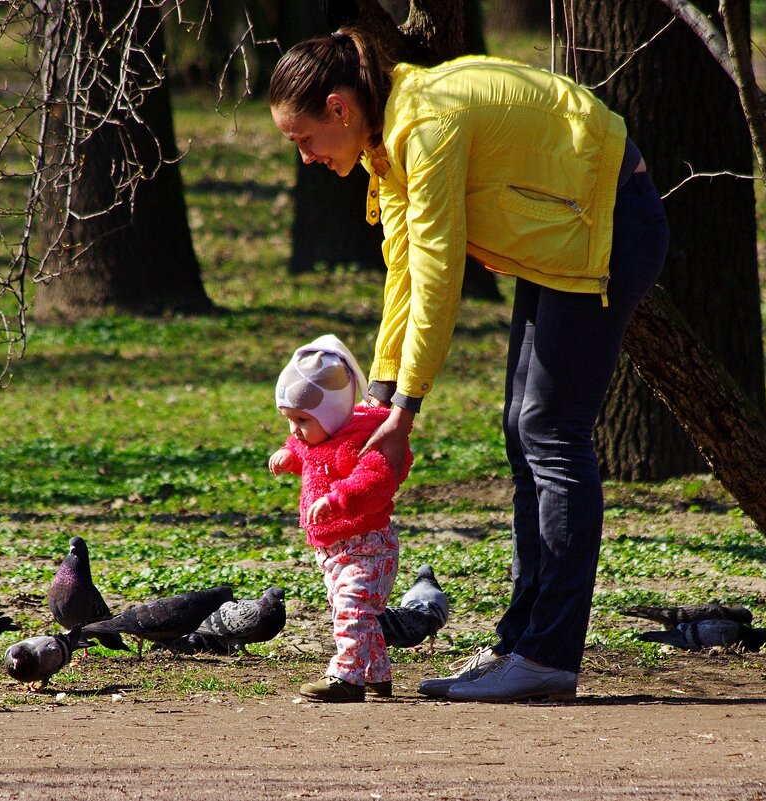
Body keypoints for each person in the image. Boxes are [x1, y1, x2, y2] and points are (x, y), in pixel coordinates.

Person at [269, 30, 669, 702]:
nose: (304, 155)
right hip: (562, 237)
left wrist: (407, 409)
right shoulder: (387, 138)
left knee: (550, 429)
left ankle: (547, 654)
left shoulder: (426, 127)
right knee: (524, 428)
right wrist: (381, 395)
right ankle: (522, 641)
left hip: (607, 222)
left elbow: (436, 274)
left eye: (301, 138)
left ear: (339, 108)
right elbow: (401, 273)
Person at [269, 334, 413, 702]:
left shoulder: (363, 441)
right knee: (354, 611)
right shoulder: (317, 437)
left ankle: (347, 678)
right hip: (333, 550)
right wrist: (290, 455)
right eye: (288, 420)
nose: (294, 431)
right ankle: (377, 675)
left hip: (368, 547)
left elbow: (376, 481)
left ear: (330, 414)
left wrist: (339, 498)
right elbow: (303, 447)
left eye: (302, 419)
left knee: (351, 609)